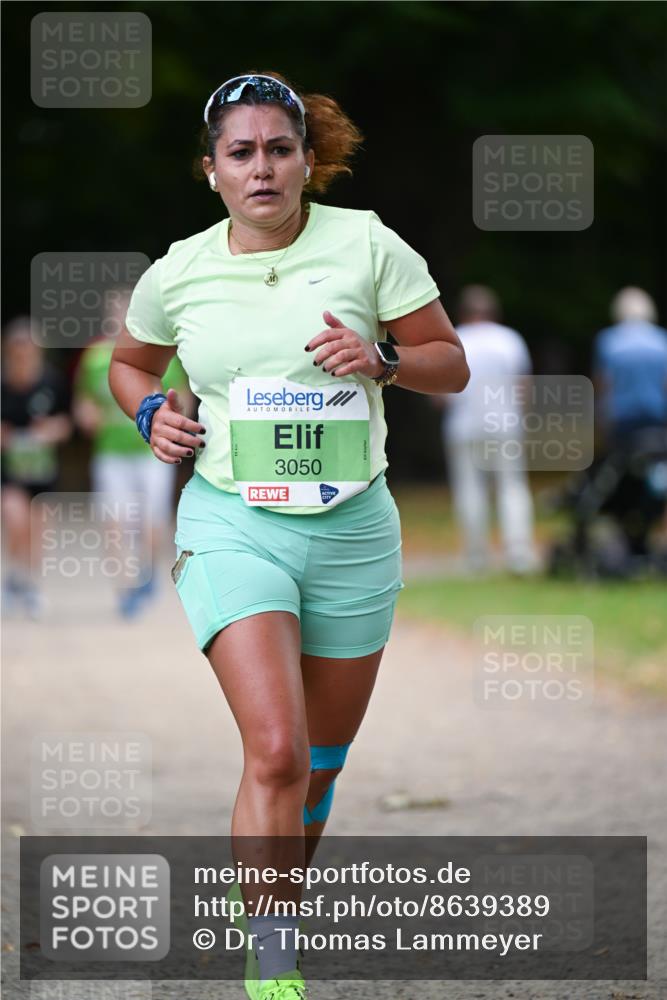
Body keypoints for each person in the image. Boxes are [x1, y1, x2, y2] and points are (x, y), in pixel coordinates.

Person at [109, 71, 469, 1000]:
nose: (261, 168)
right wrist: (150, 411)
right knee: (274, 748)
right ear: (211, 170)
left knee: (318, 766)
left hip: (353, 530)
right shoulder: (180, 270)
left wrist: (383, 359)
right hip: (233, 523)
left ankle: (271, 894)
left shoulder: (367, 244)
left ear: (308, 161)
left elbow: (450, 363)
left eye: (278, 148)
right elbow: (130, 362)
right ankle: (273, 968)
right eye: (241, 153)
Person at [73, 287, 193, 617]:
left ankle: (147, 573)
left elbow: (181, 395)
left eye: (125, 311)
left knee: (153, 521)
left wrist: (175, 423)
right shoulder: (95, 354)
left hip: (151, 453)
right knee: (113, 522)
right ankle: (125, 590)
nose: (119, 317)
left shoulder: (155, 350)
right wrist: (86, 415)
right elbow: (83, 401)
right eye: (114, 311)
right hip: (110, 453)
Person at [439, 285, 537, 574]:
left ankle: (476, 556)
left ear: (463, 312)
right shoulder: (510, 340)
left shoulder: (456, 339)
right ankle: (518, 552)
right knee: (512, 486)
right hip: (505, 423)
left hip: (464, 425)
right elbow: (524, 387)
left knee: (469, 489)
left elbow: (441, 393)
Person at [1, 317, 72, 617]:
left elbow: (67, 423)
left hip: (43, 474)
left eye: (28, 348)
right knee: (16, 521)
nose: (23, 354)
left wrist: (50, 430)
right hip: (10, 472)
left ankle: (26, 583)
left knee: (37, 532)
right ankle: (16, 577)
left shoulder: (52, 383)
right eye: (17, 349)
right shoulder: (3, 385)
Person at [593, 286, 667, 444]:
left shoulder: (608, 340)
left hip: (621, 419)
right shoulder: (662, 340)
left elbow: (603, 384)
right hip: (657, 416)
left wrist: (599, 418)